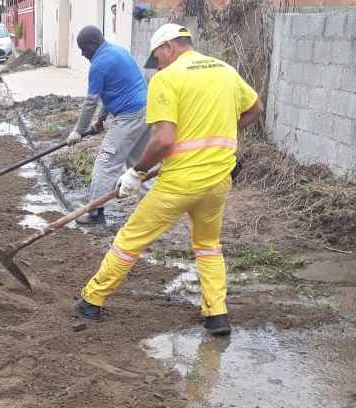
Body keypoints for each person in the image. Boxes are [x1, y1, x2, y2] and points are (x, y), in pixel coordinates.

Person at [75, 24, 264, 336]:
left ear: (168, 47)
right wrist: (215, 139)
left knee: (130, 239)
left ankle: (91, 301)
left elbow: (163, 140)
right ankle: (216, 314)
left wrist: (135, 173)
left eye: (156, 57)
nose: (156, 64)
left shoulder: (167, 78)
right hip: (218, 180)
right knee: (207, 245)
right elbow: (255, 108)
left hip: (179, 183)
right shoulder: (225, 70)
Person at [67, 25, 150, 225]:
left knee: (105, 163)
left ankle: (95, 213)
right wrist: (100, 120)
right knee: (140, 164)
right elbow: (110, 93)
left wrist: (77, 131)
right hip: (146, 111)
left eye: (84, 48)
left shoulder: (99, 64)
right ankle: (150, 213)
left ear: (94, 44)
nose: (82, 53)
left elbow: (91, 101)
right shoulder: (118, 51)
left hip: (129, 115)